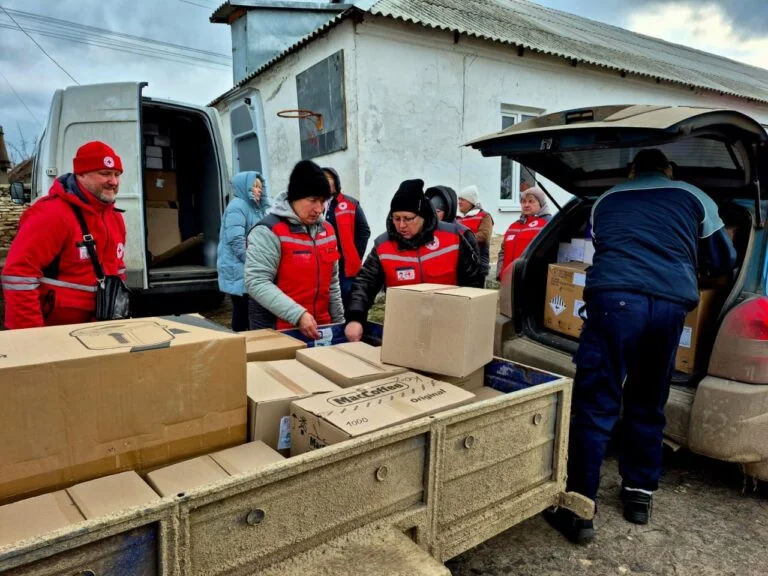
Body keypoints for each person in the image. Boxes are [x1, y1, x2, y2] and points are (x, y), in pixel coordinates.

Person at [545, 149, 736, 543]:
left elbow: (603, 247)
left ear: (631, 171)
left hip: (615, 302)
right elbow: (723, 260)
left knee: (596, 402)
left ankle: (580, 510)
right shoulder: (694, 196)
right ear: (669, 170)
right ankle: (638, 496)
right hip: (670, 307)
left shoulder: (606, 200)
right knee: (649, 397)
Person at [2, 141, 126, 329]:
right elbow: (19, 275)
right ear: (82, 173)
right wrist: (30, 337)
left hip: (98, 328)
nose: (114, 181)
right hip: (55, 331)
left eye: (117, 174)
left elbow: (117, 271)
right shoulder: (51, 214)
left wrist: (115, 311)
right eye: (105, 173)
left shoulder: (114, 217)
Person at [344, 179, 486, 342]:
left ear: (423, 215)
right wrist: (355, 318)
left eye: (408, 218)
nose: (401, 225)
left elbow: (474, 280)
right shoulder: (383, 247)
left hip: (450, 326)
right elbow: (365, 283)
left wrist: (471, 317)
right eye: (396, 218)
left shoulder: (453, 237)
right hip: (404, 329)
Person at [244, 160, 343, 339]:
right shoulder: (269, 231)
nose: (319, 209)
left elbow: (332, 282)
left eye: (323, 201)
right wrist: (298, 315)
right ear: (294, 197)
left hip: (320, 327)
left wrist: (339, 324)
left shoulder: (327, 230)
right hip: (279, 330)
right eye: (312, 200)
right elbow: (256, 282)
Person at [217, 171, 270, 332]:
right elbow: (236, 240)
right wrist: (253, 261)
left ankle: (246, 343)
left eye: (260, 187)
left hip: (249, 268)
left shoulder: (256, 208)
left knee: (248, 311)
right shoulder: (238, 205)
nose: (258, 190)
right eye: (254, 187)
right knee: (242, 311)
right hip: (239, 267)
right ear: (244, 187)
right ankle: (240, 344)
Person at [322, 167, 370, 309]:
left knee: (348, 299)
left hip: (346, 266)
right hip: (326, 264)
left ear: (335, 182)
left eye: (329, 179)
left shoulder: (351, 204)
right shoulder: (317, 206)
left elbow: (364, 231)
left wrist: (355, 254)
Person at [496, 186, 551, 279]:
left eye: (531, 201)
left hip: (531, 282)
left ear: (541, 204)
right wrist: (500, 273)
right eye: (523, 201)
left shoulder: (547, 224)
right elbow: (502, 251)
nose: (526, 205)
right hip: (508, 280)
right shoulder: (513, 226)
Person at [456, 185, 494, 270]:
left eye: (462, 199)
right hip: (460, 262)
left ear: (471, 202)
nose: (459, 202)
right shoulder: (456, 217)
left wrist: (460, 240)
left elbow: (483, 236)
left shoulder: (484, 216)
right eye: (459, 199)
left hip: (478, 262)